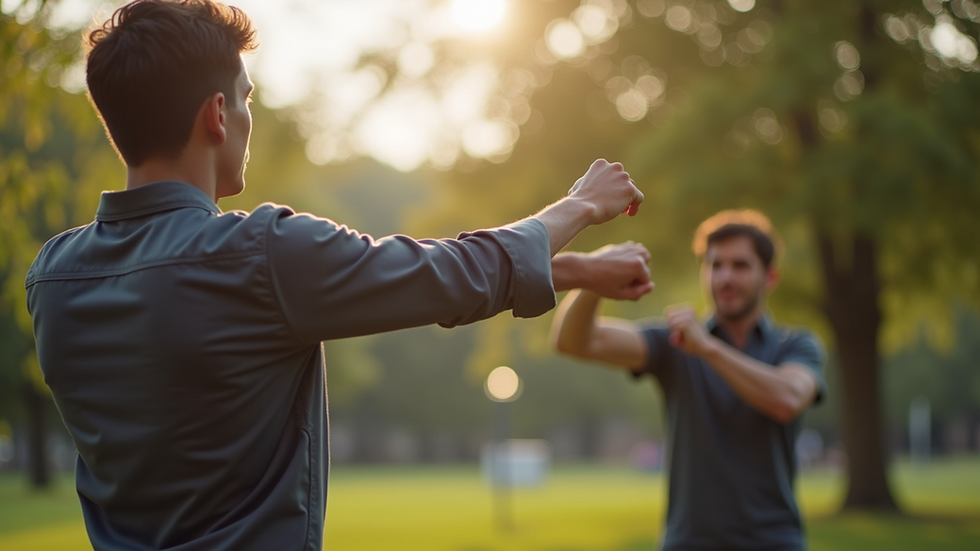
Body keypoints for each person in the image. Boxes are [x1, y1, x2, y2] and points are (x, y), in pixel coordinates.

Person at [24, 1, 647, 550]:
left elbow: (391, 274)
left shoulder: (53, 278)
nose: (248, 117)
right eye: (246, 98)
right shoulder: (262, 252)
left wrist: (570, 270)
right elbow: (445, 276)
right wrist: (578, 206)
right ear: (217, 114)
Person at [551, 210, 826, 551]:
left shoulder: (795, 345)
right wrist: (594, 278)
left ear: (769, 277)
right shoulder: (675, 343)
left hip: (774, 541)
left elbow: (787, 400)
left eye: (740, 265)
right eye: (715, 265)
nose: (725, 277)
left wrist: (708, 348)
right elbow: (573, 342)